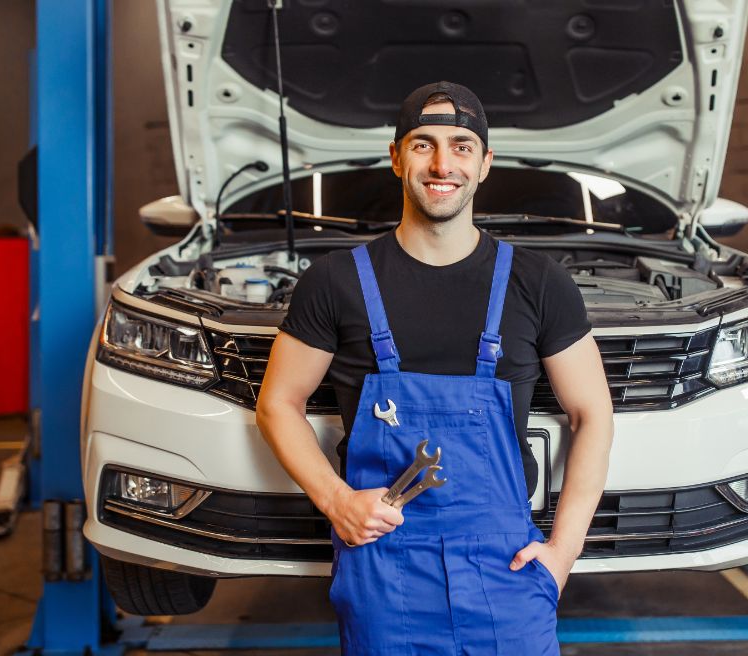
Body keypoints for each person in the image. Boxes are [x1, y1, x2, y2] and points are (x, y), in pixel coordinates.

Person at [257, 81, 613, 654]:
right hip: (383, 562)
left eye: (462, 145)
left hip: (508, 565)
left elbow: (592, 413)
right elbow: (278, 404)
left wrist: (563, 552)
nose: (443, 163)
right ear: (397, 158)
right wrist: (336, 500)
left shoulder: (538, 283)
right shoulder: (336, 282)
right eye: (423, 144)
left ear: (485, 163)